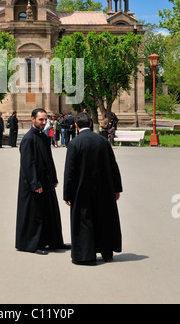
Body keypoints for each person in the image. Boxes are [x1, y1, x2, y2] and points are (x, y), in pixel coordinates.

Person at [63, 112, 122, 265]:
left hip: (81, 190)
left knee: (84, 221)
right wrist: (117, 188)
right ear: (90, 124)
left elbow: (70, 171)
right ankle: (107, 252)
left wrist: (67, 194)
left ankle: (85, 255)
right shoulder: (103, 141)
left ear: (76, 126)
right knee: (104, 219)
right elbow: (113, 165)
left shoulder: (74, 143)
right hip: (104, 188)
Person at [15, 108, 70, 255]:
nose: (44, 122)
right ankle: (34, 244)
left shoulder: (44, 137)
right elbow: (28, 163)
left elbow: (48, 160)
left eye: (45, 119)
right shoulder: (28, 139)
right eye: (41, 119)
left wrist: (54, 177)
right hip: (34, 183)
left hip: (46, 180)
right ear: (32, 119)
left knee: (50, 211)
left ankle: (54, 241)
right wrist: (35, 183)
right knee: (36, 213)